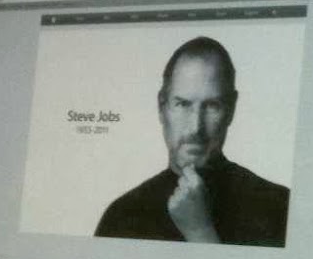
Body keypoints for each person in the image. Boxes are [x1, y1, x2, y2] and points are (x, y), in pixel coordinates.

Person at [94, 36, 290, 247]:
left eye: (212, 105)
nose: (196, 127)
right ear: (162, 107)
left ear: (231, 109)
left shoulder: (280, 207)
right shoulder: (121, 215)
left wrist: (200, 232)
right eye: (183, 104)